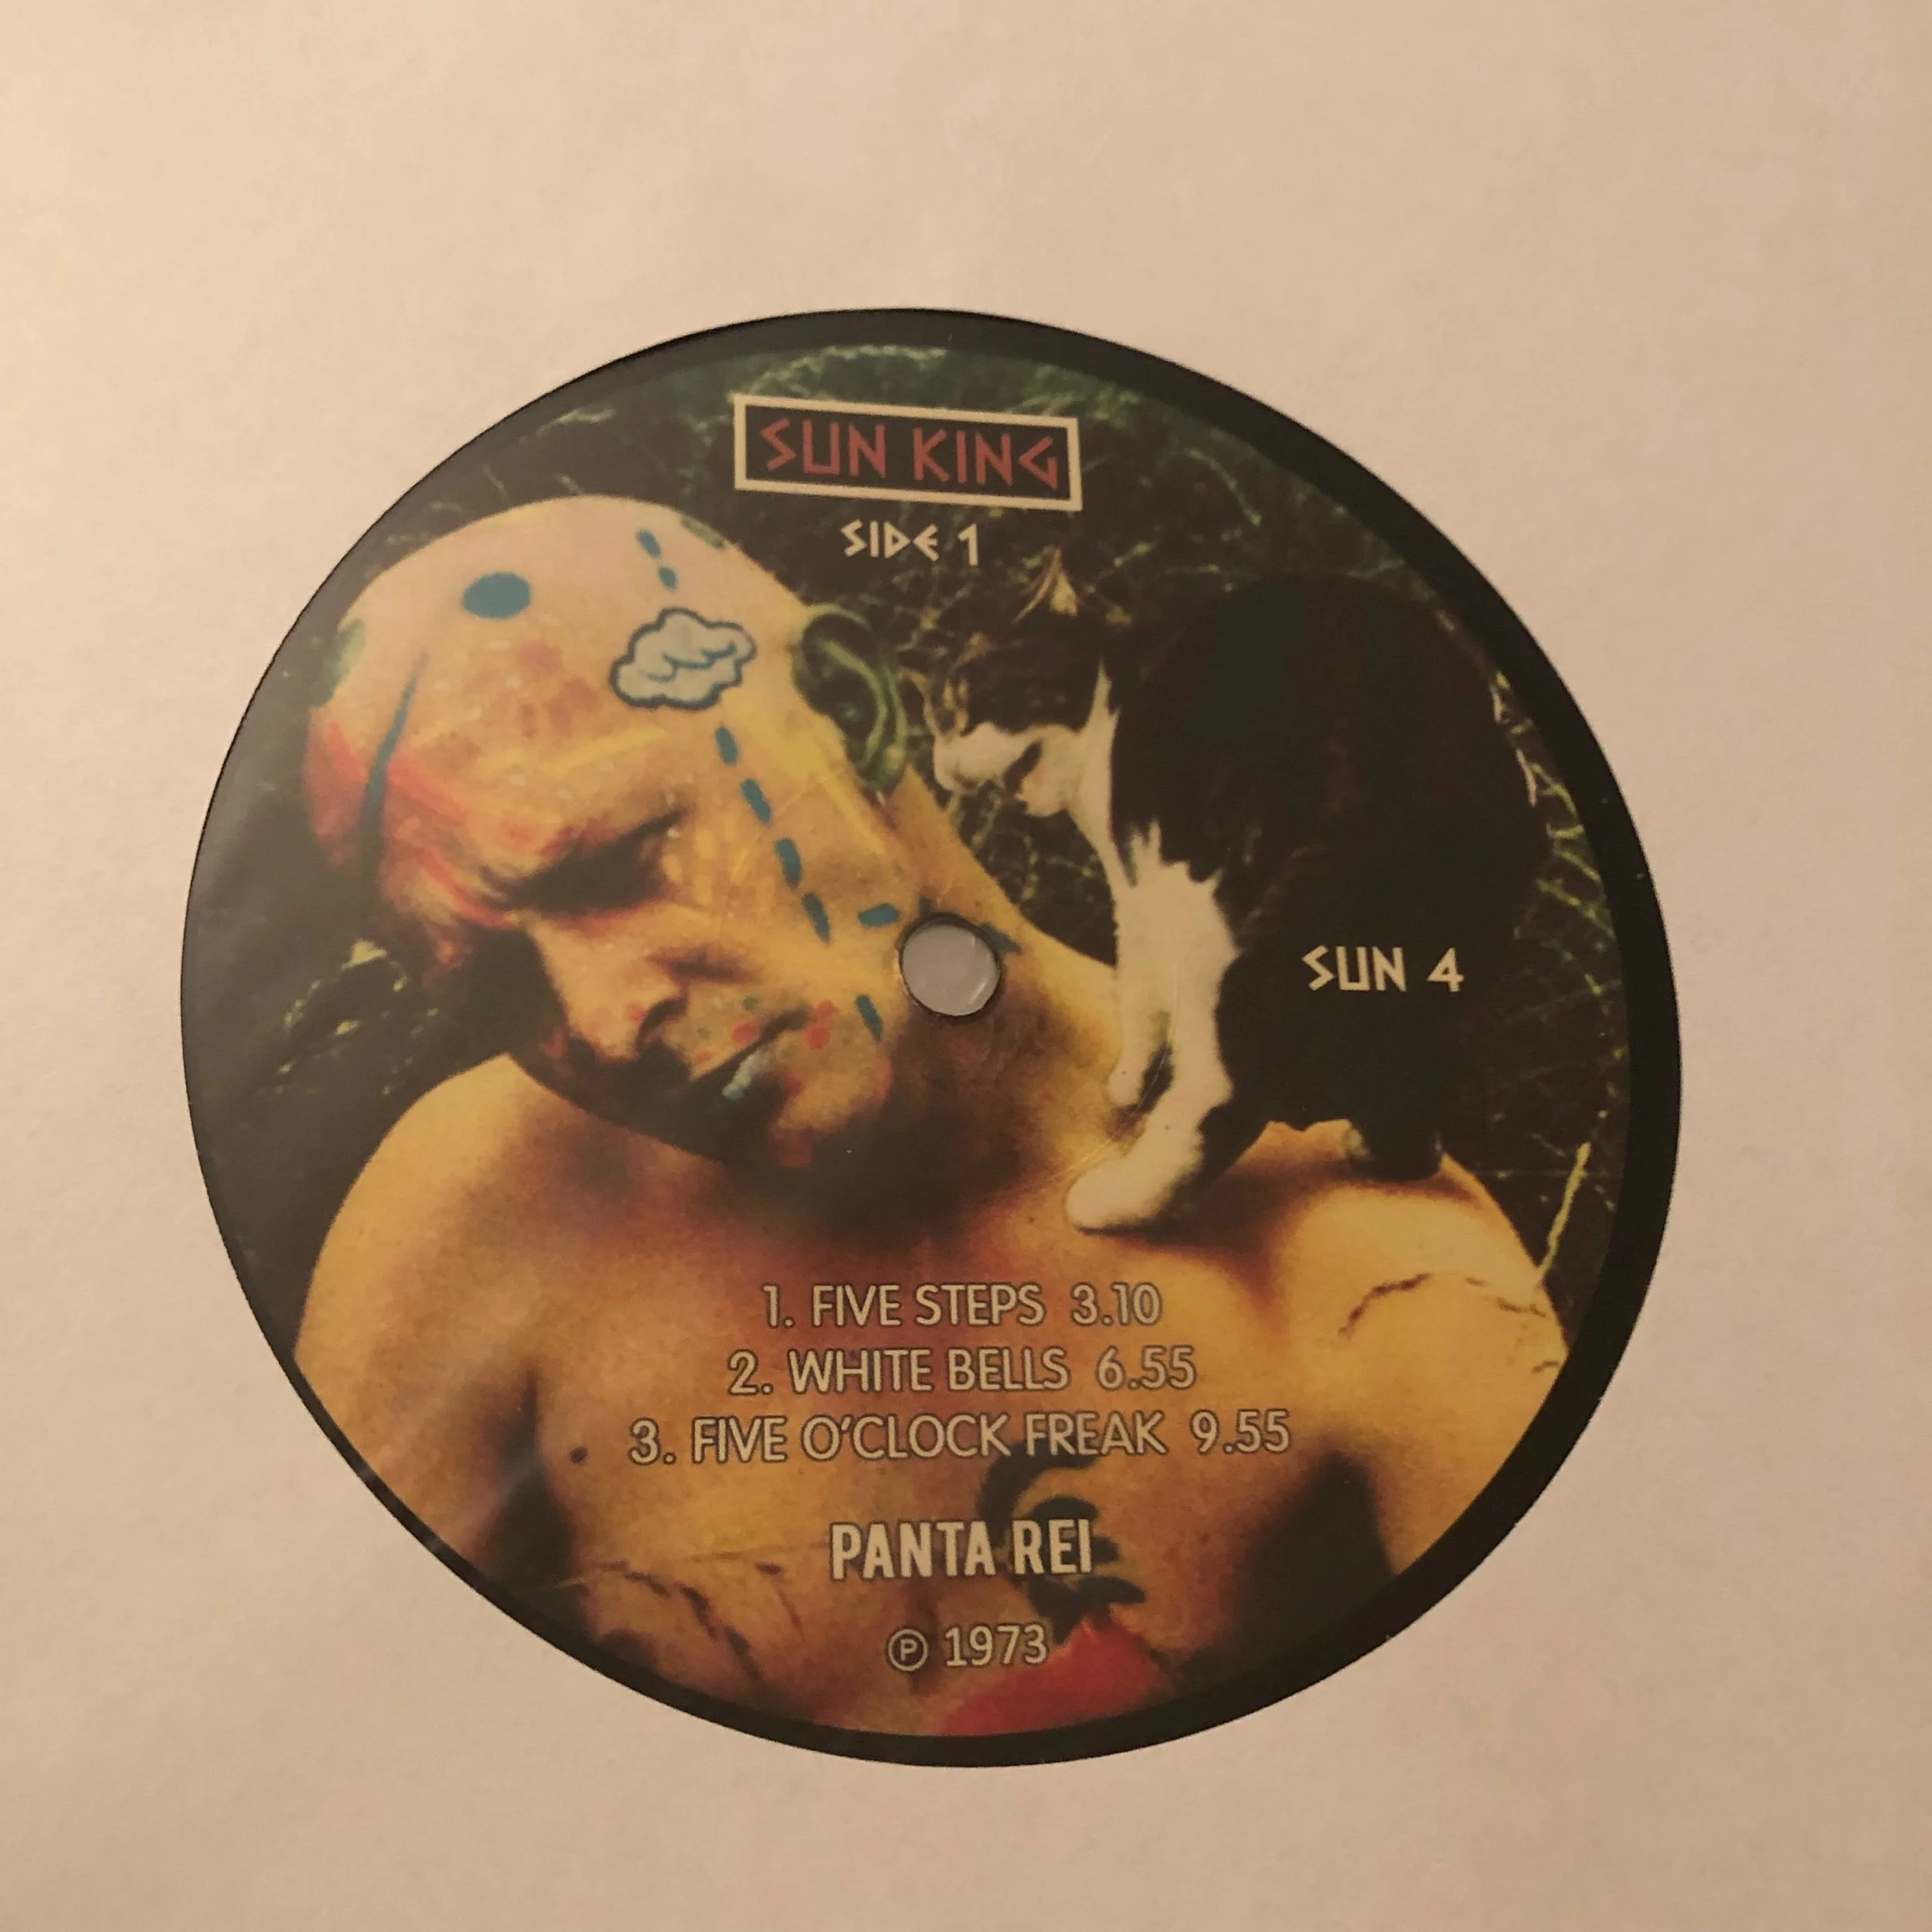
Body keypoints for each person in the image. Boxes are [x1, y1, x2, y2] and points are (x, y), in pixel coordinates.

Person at [296, 495, 1565, 1737]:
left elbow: (1550, 1773)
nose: (604, 1019)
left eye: (615, 866)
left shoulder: (1356, 1268)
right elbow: (349, 1762)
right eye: (495, 985)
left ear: (850, 710)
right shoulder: (474, 1211)